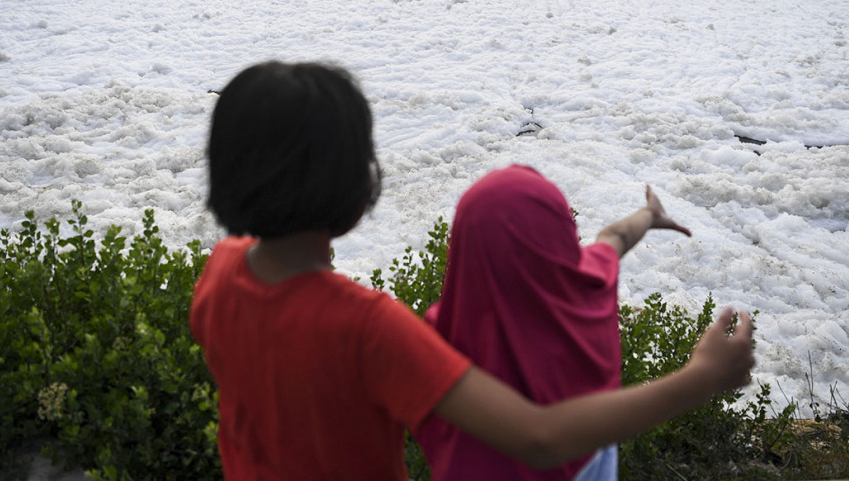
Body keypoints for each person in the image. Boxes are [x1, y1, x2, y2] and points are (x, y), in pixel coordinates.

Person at [190, 61, 755, 481]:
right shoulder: (368, 329)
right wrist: (700, 378)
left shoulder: (220, 273)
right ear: (354, 187)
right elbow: (539, 437)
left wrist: (643, 219)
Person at [416, 165, 692, 480]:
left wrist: (649, 213)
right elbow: (614, 237)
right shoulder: (590, 292)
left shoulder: (436, 342)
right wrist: (649, 214)